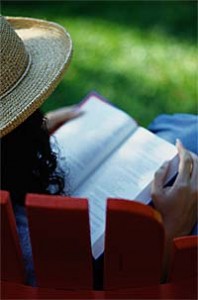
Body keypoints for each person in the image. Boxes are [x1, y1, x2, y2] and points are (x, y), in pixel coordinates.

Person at [0, 16, 197, 287]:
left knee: (177, 128)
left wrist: (23, 139)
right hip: (131, 269)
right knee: (186, 135)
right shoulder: (25, 246)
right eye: (29, 112)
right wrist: (173, 228)